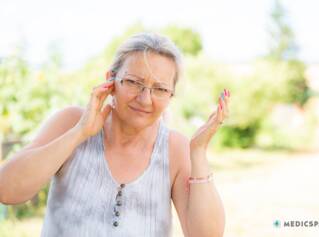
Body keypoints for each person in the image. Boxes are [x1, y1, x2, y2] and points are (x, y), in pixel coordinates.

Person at [0, 32, 229, 237]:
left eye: (159, 89)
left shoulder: (175, 147)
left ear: (171, 95)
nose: (145, 99)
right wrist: (80, 133)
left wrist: (198, 153)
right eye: (133, 82)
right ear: (111, 79)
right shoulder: (70, 122)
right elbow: (7, 190)